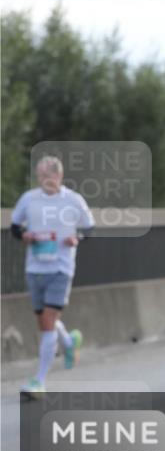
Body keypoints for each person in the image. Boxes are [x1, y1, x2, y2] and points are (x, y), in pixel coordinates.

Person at [12, 156, 94, 397]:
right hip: (35, 268)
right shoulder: (29, 199)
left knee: (48, 322)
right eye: (39, 176)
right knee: (44, 321)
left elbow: (89, 227)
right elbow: (15, 227)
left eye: (47, 176)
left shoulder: (73, 200)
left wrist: (76, 238)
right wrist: (25, 235)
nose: (43, 180)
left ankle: (39, 380)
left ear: (59, 176)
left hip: (61, 267)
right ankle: (69, 343)